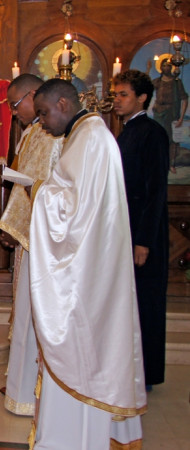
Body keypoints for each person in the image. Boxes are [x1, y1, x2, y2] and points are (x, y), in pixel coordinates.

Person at [29, 78, 146, 449]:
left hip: (86, 276)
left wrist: (40, 191)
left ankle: (74, 439)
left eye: (45, 113)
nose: (43, 122)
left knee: (81, 348)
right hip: (92, 265)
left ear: (63, 103)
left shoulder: (91, 139)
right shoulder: (87, 136)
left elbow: (71, 213)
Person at [0, 74, 62, 416]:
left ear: (33, 96)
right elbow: (25, 188)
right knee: (22, 315)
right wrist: (11, 225)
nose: (13, 111)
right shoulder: (31, 134)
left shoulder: (55, 137)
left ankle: (34, 390)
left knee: (34, 316)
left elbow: (50, 188)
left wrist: (15, 224)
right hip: (27, 236)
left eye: (15, 103)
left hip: (45, 241)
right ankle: (21, 385)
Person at [114, 69, 169, 390]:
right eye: (116, 95)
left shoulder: (152, 133)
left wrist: (143, 241)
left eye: (123, 95)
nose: (117, 101)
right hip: (127, 230)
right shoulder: (128, 131)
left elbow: (155, 191)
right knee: (129, 302)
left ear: (142, 98)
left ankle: (146, 375)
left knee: (146, 302)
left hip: (144, 234)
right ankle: (130, 369)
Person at [151, 57, 188, 172]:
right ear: (161, 67)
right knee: (157, 139)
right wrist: (147, 70)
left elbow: (184, 99)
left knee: (171, 139)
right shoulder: (158, 81)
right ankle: (157, 163)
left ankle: (171, 164)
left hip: (171, 113)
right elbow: (145, 88)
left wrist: (181, 118)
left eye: (168, 65)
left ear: (171, 67)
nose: (166, 67)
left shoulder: (176, 82)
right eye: (164, 65)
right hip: (158, 113)